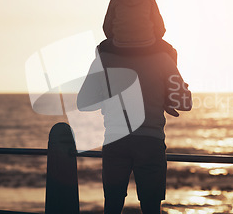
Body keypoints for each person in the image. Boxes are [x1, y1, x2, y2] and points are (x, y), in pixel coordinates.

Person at [77, 48, 191, 214]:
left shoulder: (103, 59)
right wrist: (164, 94)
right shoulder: (163, 58)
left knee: (112, 205)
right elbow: (185, 103)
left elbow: (83, 102)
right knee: (151, 207)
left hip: (115, 140)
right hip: (150, 141)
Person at [100, 0, 180, 116]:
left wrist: (116, 39)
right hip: (147, 45)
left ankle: (104, 93)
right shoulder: (149, 0)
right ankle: (170, 95)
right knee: (172, 51)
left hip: (119, 46)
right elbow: (161, 29)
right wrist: (152, 39)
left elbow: (106, 26)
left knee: (100, 50)